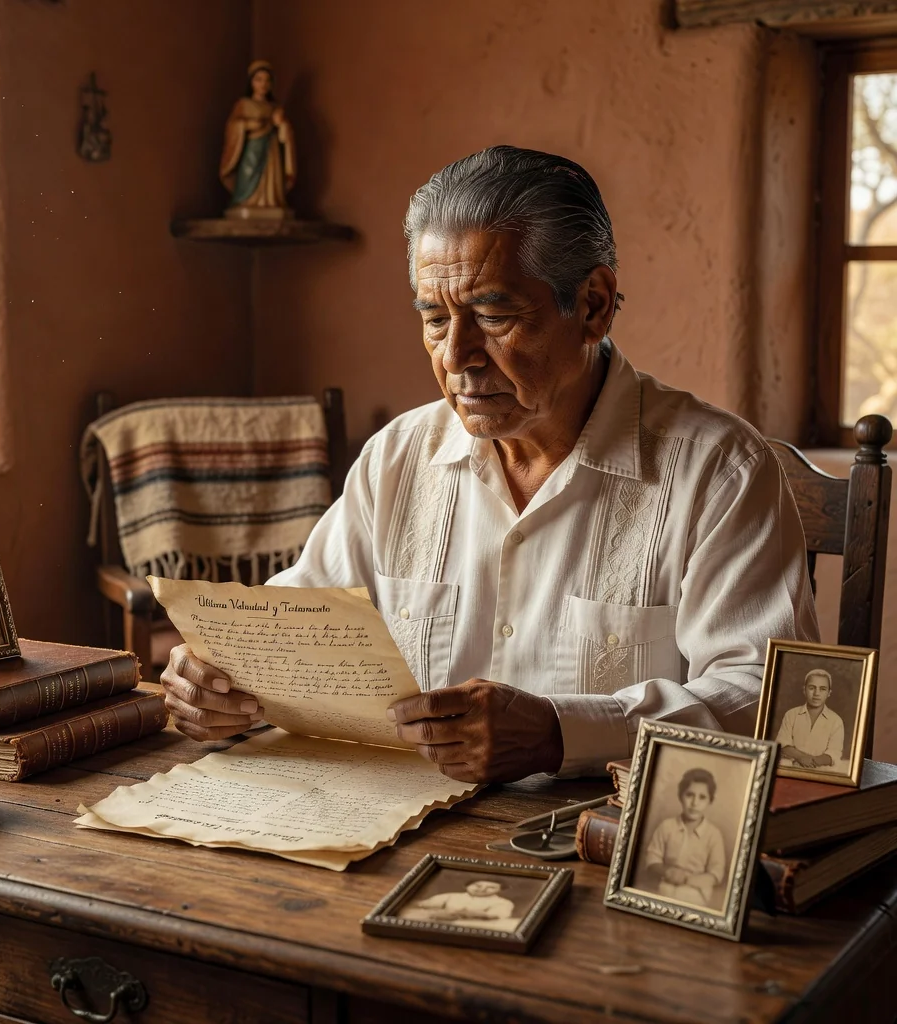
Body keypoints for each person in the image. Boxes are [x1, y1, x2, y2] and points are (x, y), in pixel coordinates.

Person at [161, 145, 818, 781]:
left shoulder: (718, 473)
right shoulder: (398, 460)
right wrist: (220, 676)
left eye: (494, 315)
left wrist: (562, 733)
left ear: (592, 305)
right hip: (401, 824)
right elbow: (298, 624)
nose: (456, 356)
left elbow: (768, 699)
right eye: (435, 320)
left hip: (598, 837)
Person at [219, 60, 296, 217]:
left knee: (272, 178)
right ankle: (247, 200)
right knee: (248, 176)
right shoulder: (243, 104)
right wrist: (247, 125)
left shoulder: (275, 107)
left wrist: (282, 125)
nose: (263, 84)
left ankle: (271, 200)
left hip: (271, 150)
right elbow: (232, 126)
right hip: (251, 150)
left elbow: (284, 136)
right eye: (259, 80)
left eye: (267, 80)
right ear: (251, 82)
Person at [643, 767, 726, 907]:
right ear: (680, 796)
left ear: (710, 801)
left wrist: (689, 880)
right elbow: (652, 859)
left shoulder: (714, 835)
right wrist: (667, 872)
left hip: (696, 894)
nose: (694, 803)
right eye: (689, 795)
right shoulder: (666, 827)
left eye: (702, 797)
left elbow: (716, 873)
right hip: (664, 890)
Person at [775, 669, 844, 771]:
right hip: (791, 770)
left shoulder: (836, 721)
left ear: (829, 693)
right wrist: (801, 757)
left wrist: (812, 761)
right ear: (804, 690)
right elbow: (782, 744)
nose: (816, 693)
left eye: (823, 689)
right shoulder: (791, 715)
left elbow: (834, 753)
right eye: (812, 688)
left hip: (821, 772)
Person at [400, 879, 519, 930]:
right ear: (466, 886)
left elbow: (496, 915)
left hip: (475, 927)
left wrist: (466, 913)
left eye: (491, 887)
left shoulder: (503, 902)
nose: (482, 889)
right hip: (443, 923)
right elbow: (424, 905)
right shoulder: (451, 896)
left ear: (500, 890)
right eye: (477, 885)